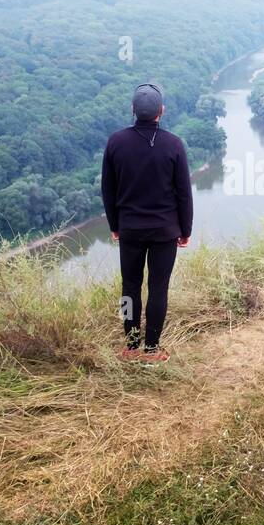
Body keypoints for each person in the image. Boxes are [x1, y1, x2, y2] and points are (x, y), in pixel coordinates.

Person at [100, 82, 193, 362]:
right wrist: (185, 230)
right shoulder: (173, 144)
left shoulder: (116, 142)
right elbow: (184, 193)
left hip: (130, 229)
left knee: (129, 288)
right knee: (158, 289)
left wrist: (114, 225)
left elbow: (108, 190)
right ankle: (151, 349)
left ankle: (131, 347)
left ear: (133, 109)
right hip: (165, 230)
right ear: (161, 111)